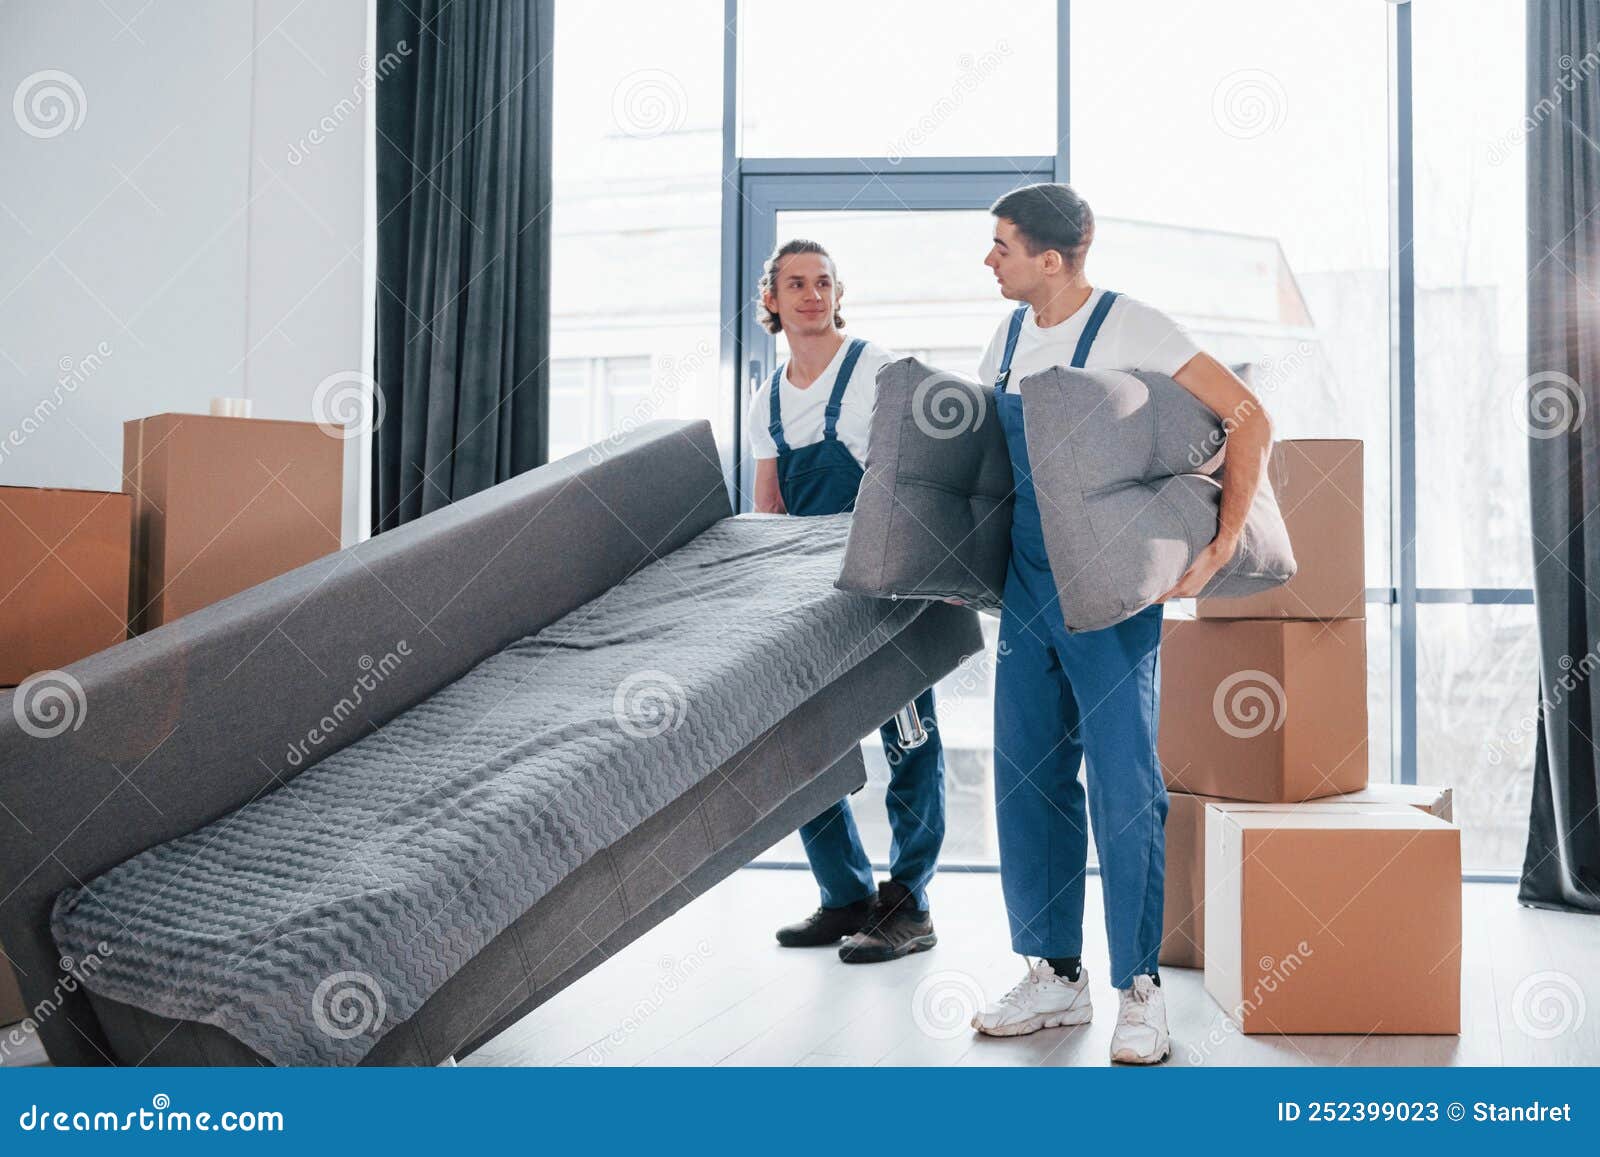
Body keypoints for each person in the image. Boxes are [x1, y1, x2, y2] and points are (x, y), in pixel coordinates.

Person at [966, 184, 1274, 1064]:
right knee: (1027, 776)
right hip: (1026, 583)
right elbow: (990, 466)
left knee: (1123, 780)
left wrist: (1218, 546)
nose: (990, 260)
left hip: (1108, 587)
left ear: (1052, 259)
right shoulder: (1008, 337)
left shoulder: (1135, 328)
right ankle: (1053, 976)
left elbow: (1248, 417)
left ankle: (1140, 991)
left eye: (1002, 246)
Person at [748, 238, 947, 965]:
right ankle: (845, 895)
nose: (811, 294)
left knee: (909, 742)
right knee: (807, 748)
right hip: (810, 595)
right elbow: (769, 507)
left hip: (887, 582)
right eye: (795, 283)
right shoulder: (766, 396)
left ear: (838, 292)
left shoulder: (875, 369)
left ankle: (910, 902)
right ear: (770, 298)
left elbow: (921, 468)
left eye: (823, 282)